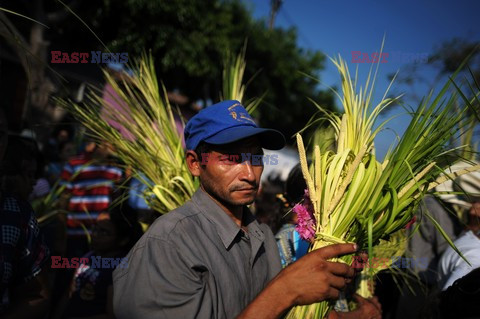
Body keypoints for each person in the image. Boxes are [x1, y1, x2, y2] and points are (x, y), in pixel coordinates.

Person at [113, 100, 363, 319]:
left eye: (255, 157)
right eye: (231, 158)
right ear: (195, 164)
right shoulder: (168, 243)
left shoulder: (261, 235)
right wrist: (286, 290)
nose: (249, 174)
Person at [0, 108, 51, 318]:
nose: (32, 183)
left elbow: (36, 293)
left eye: (1, 133)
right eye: (27, 175)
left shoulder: (18, 215)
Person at [53, 202, 143, 319]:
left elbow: (112, 315)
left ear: (123, 240)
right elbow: (69, 294)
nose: (95, 234)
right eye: (95, 227)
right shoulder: (88, 257)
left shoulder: (120, 268)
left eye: (104, 232)